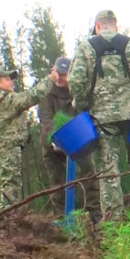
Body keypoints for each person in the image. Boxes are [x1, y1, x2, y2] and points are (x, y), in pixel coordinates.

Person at [69, 10, 130, 220]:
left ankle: (115, 221)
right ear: (116, 26)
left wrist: (82, 105)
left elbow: (75, 82)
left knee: (108, 169)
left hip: (102, 119)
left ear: (97, 26)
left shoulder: (86, 47)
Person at [0, 68, 57, 208]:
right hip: (9, 144)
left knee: (10, 179)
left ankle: (10, 211)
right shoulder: (5, 99)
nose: (11, 82)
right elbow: (32, 96)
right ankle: (8, 212)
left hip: (3, 144)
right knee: (11, 181)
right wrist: (50, 79)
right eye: (7, 79)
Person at [38, 57, 100, 217]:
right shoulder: (45, 91)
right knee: (57, 182)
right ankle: (61, 219)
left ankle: (94, 214)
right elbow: (46, 119)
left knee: (89, 172)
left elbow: (85, 113)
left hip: (78, 140)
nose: (59, 77)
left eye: (63, 74)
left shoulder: (77, 90)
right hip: (52, 144)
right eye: (57, 73)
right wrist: (55, 137)